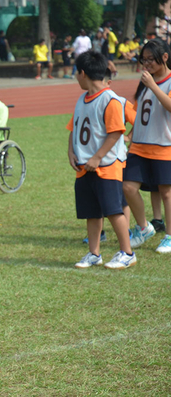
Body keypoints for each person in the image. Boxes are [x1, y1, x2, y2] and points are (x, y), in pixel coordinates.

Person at [67, 50, 135, 269]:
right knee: (92, 212)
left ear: (83, 73)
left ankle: (127, 252)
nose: (76, 77)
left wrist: (97, 158)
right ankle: (94, 253)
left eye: (76, 73)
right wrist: (71, 151)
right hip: (84, 166)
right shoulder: (81, 99)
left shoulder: (110, 100)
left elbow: (115, 133)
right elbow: (74, 128)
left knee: (113, 210)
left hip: (106, 166)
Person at [123, 38, 171, 254]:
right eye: (143, 60)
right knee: (128, 187)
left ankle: (169, 236)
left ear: (165, 57)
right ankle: (144, 227)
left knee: (167, 193)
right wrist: (129, 134)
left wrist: (153, 85)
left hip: (163, 146)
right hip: (139, 147)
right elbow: (139, 110)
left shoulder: (165, 81)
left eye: (151, 59)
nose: (146, 64)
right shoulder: (144, 81)